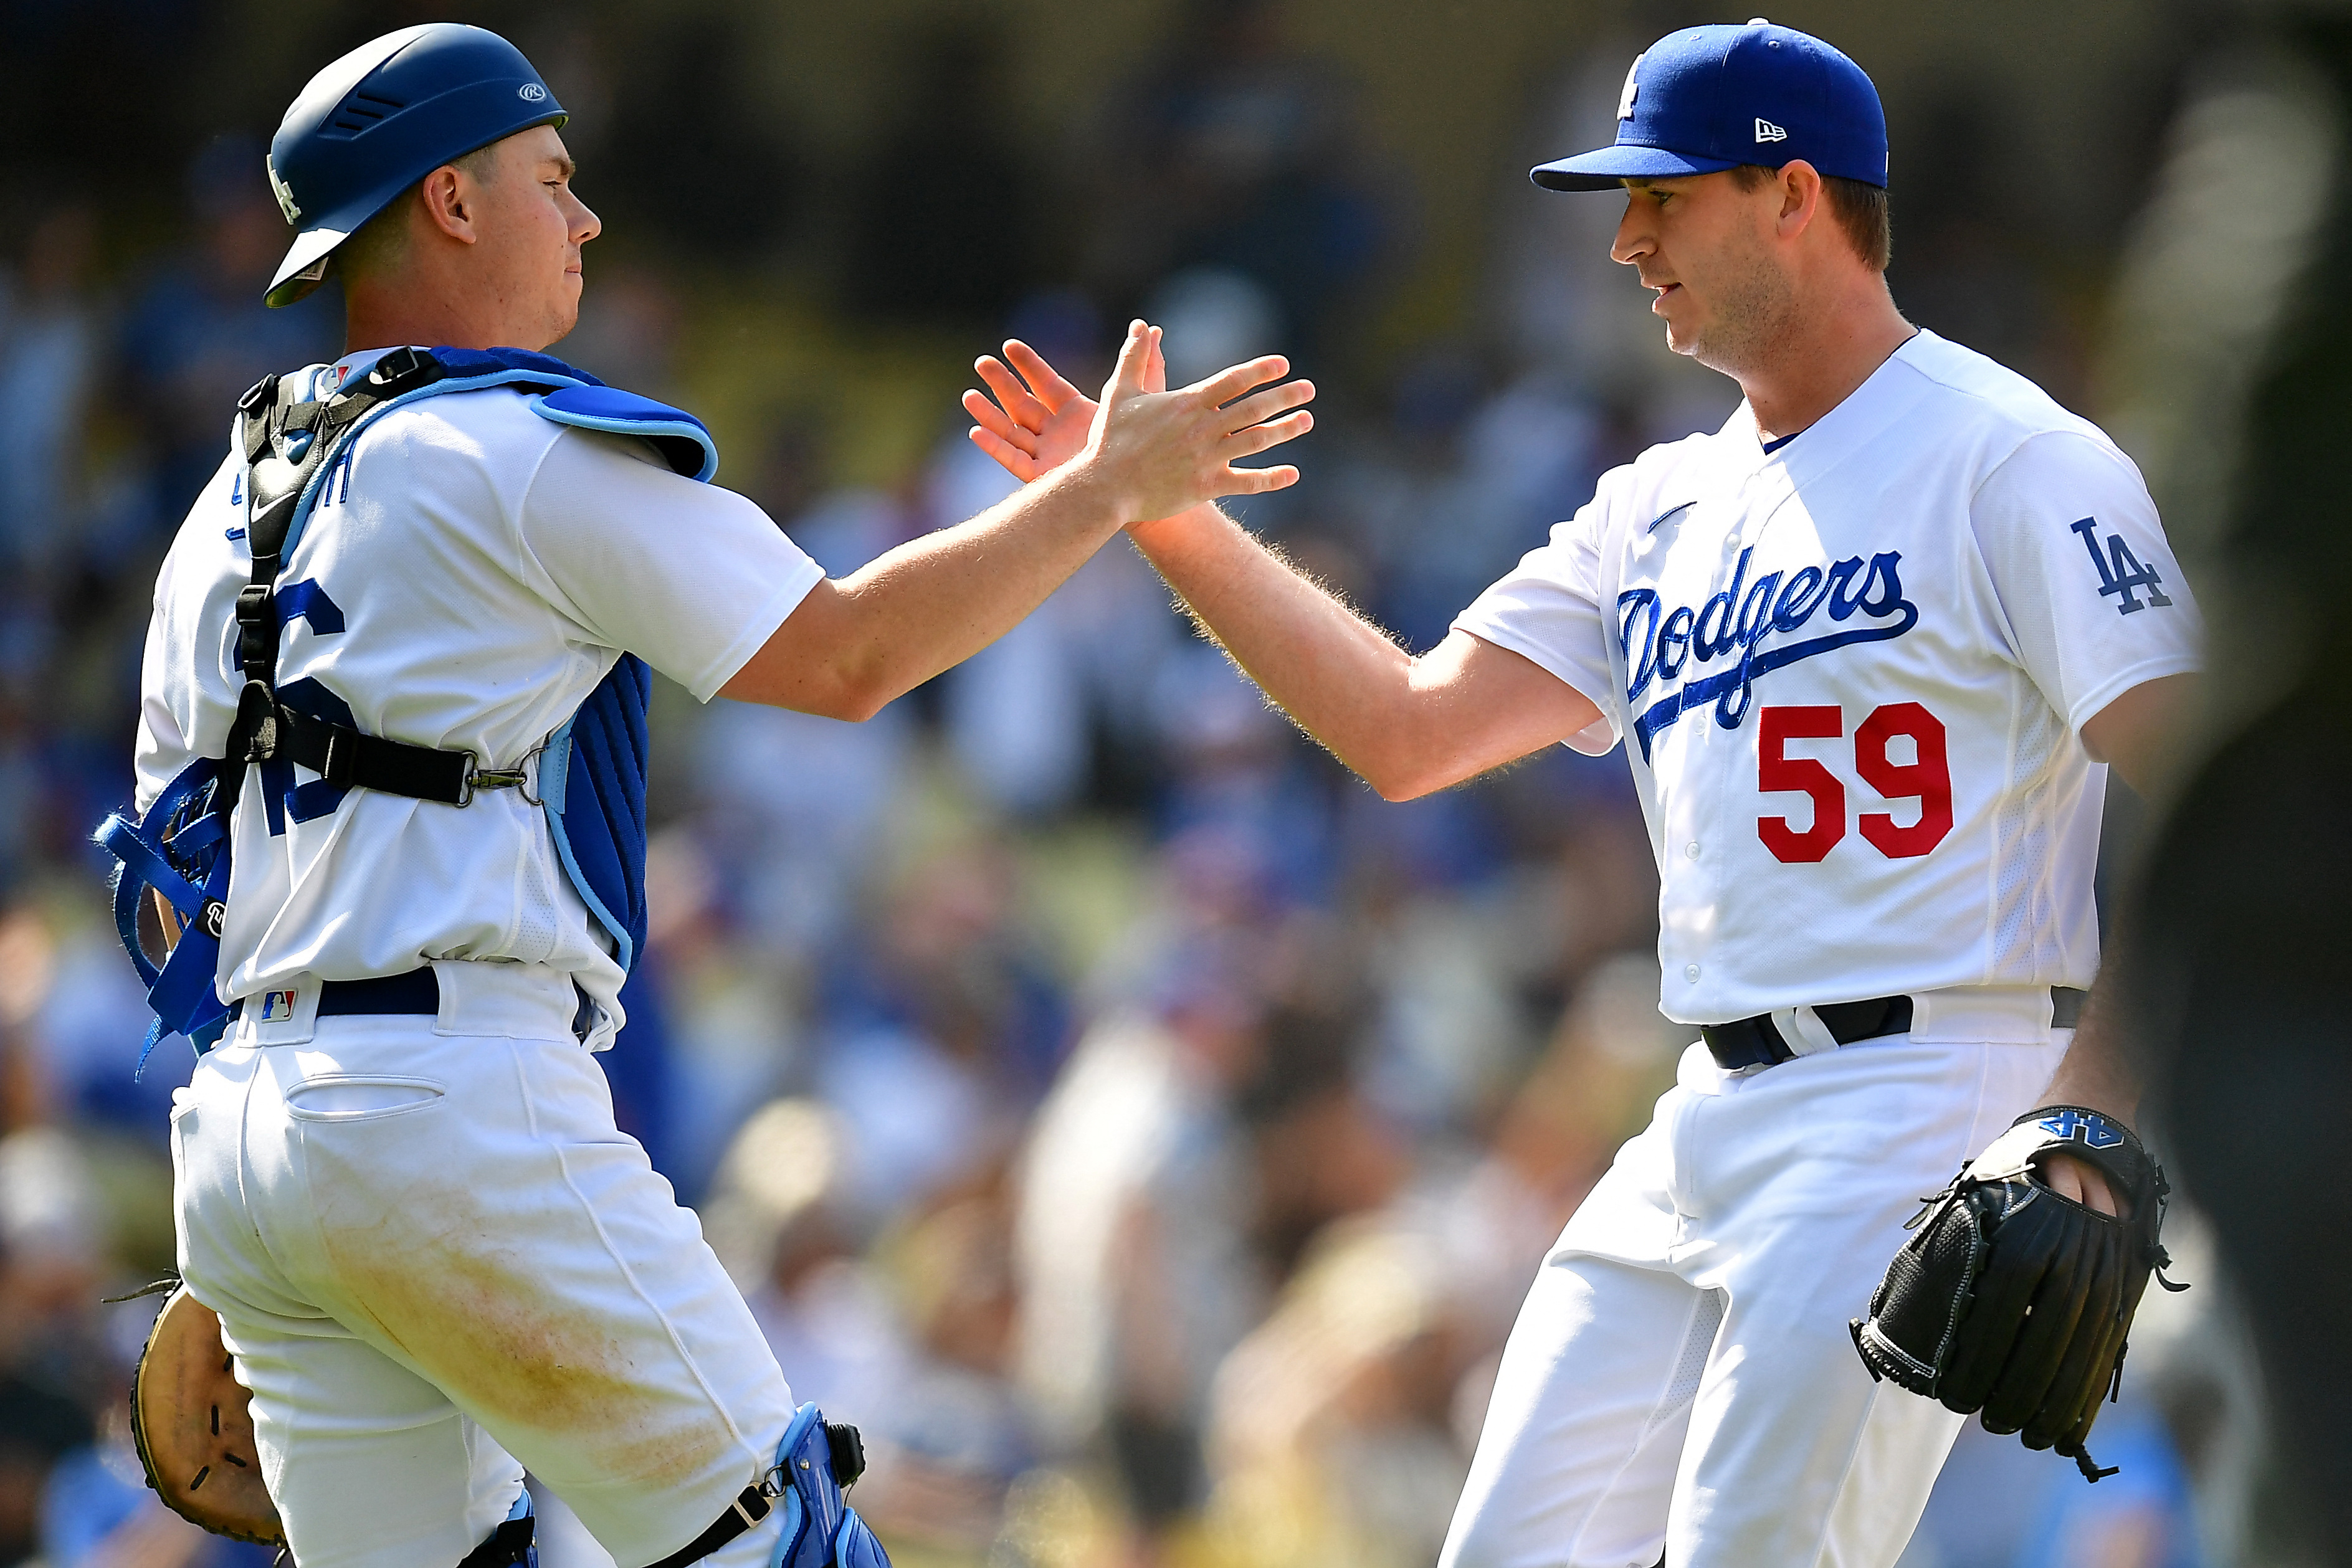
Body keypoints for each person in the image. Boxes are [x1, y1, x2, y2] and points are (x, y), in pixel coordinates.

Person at [963, 21, 2197, 1567]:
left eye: (1663, 198)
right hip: (1705, 1111)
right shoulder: (1657, 503)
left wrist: (2094, 1104)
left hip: (1924, 1085)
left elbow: (2203, 785)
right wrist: (1162, 523)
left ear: (1791, 194)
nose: (1622, 241)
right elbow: (1411, 731)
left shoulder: (2016, 459)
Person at [117, 23, 1311, 1568]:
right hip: (451, 1108)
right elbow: (852, 655)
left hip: (246, 1150)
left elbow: (164, 897)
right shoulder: (513, 448)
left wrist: (292, 1197)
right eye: (552, 178)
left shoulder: (221, 512)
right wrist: (1100, 489)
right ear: (455, 204)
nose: (589, 216)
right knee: (786, 1547)